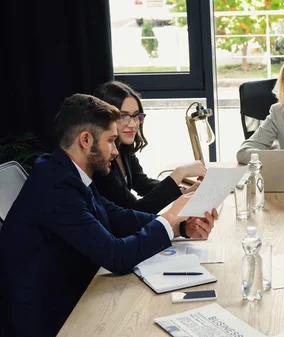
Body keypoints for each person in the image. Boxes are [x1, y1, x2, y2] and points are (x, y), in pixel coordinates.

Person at [0, 94, 217, 337]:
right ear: (85, 139)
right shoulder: (55, 186)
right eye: (111, 141)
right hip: (50, 316)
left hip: (77, 292)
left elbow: (118, 217)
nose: (115, 151)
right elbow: (116, 256)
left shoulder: (68, 172)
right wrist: (168, 221)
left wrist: (181, 225)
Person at [92, 80, 206, 214]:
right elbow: (137, 208)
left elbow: (143, 183)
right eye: (124, 116)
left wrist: (182, 191)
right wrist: (179, 173)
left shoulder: (123, 149)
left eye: (136, 116)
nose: (133, 124)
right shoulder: (100, 162)